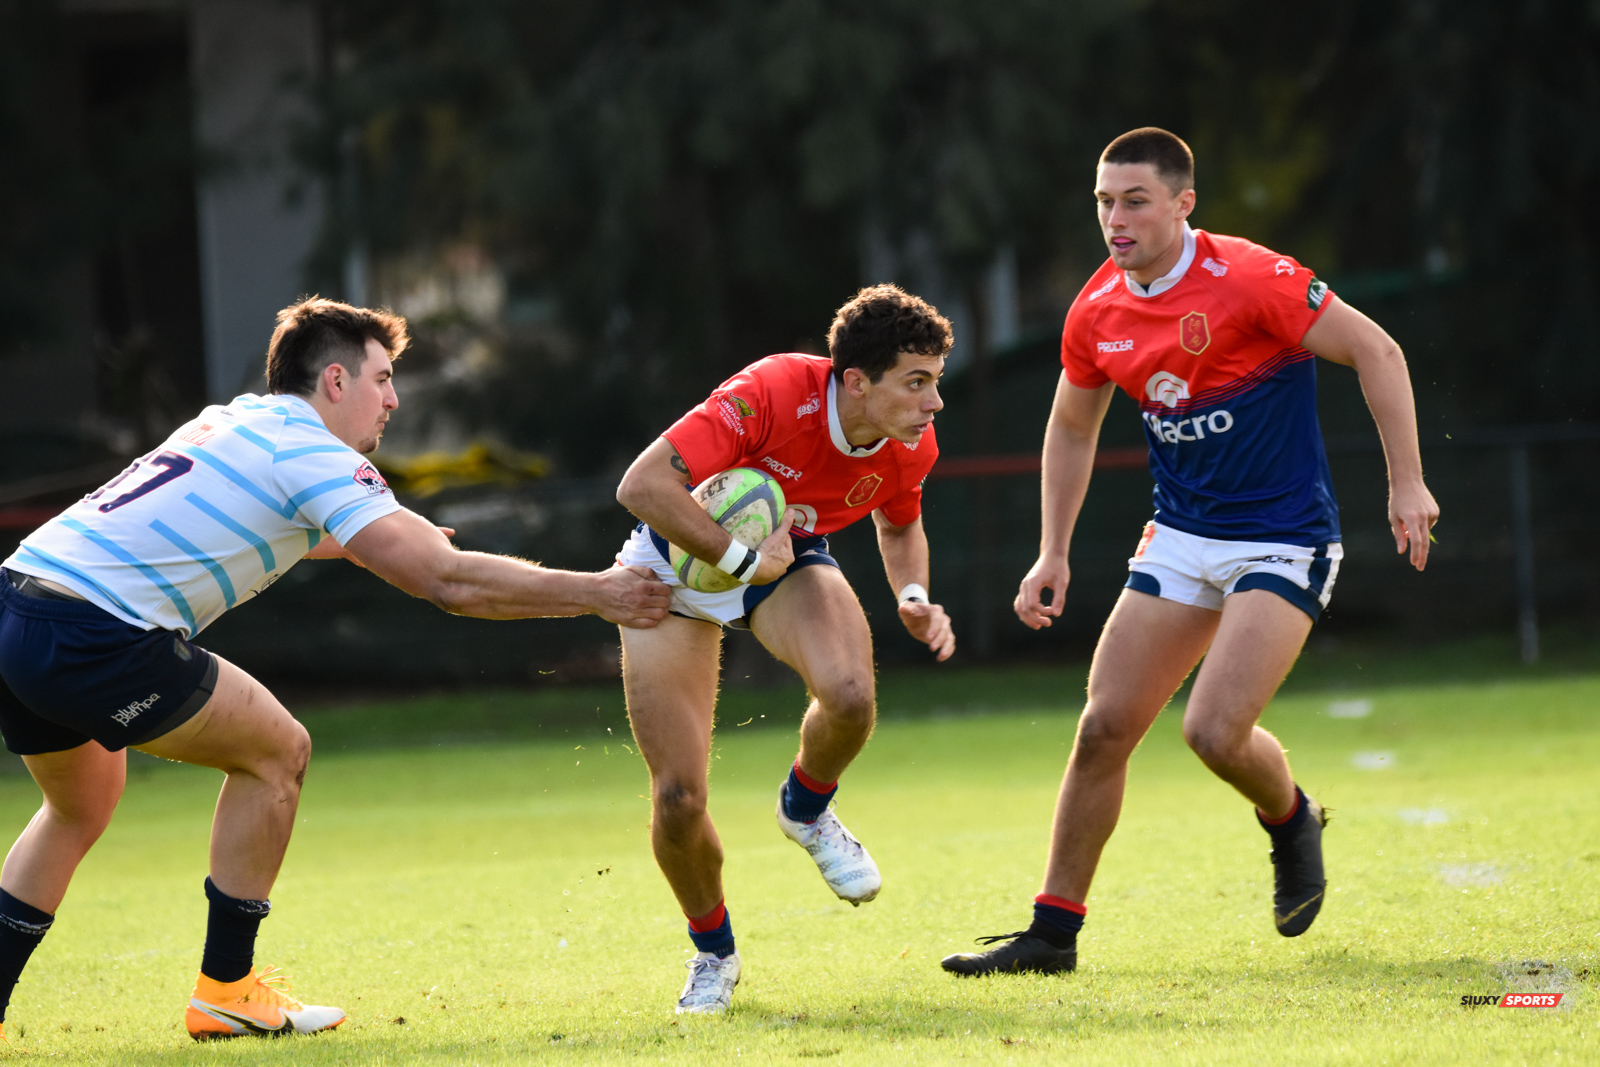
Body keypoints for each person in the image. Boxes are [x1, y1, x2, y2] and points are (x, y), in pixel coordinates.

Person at [0, 298, 669, 1041]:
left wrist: (372, 534)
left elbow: (264, 520)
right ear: (336, 381)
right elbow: (448, 582)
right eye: (383, 378)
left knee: (79, 808)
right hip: (94, 631)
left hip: (18, 605)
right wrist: (600, 592)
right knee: (277, 753)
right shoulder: (312, 453)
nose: (394, 399)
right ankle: (227, 990)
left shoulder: (237, 420)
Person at [942, 128, 1439, 977]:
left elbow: (1377, 350)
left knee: (1212, 731)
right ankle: (1051, 936)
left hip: (1283, 537)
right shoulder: (1097, 308)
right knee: (1102, 727)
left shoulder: (1252, 277)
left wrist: (1408, 483)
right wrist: (1052, 551)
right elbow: (1071, 426)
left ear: (1183, 204)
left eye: (1135, 200)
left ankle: (1290, 817)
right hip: (1180, 536)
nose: (1115, 218)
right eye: (1104, 202)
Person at [614, 285, 957, 1013]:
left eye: (935, 380)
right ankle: (714, 954)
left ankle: (805, 808)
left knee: (851, 697)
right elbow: (641, 486)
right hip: (670, 564)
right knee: (678, 797)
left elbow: (899, 525)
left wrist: (913, 594)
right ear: (856, 381)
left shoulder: (911, 445)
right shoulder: (773, 390)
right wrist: (742, 561)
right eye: (916, 382)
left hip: (785, 558)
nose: (934, 402)